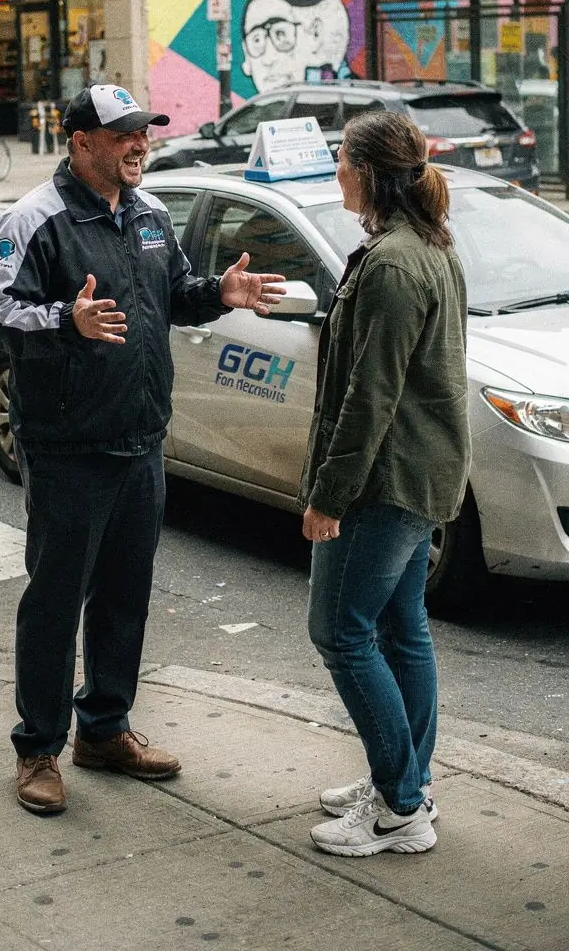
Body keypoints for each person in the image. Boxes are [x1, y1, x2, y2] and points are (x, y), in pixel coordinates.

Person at [0, 82, 286, 816]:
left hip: (142, 439)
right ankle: (39, 750)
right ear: (81, 142)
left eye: (143, 132)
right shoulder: (35, 219)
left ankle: (104, 730)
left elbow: (174, 291)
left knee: (124, 598)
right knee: (55, 603)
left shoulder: (148, 214)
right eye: (123, 135)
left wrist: (220, 292)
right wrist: (64, 320)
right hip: (68, 447)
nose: (139, 145)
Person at [301, 110, 470, 858]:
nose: (335, 167)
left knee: (339, 631)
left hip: (387, 482)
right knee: (403, 630)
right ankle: (406, 779)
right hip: (416, 472)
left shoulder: (397, 264)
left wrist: (327, 498)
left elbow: (371, 397)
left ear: (368, 172)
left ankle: (401, 806)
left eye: (341, 156)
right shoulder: (418, 247)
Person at [241, 0, 351, 93]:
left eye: (282, 35)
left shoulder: (345, 95)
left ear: (315, 35)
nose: (268, 60)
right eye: (256, 40)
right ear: (247, 57)